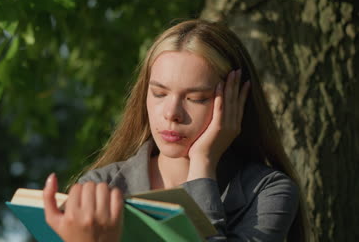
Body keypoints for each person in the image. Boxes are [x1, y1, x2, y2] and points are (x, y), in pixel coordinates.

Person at [42, 19, 309, 242]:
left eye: (196, 98)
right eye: (159, 93)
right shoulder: (100, 187)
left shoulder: (268, 192)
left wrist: (202, 165)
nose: (171, 113)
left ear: (235, 103)